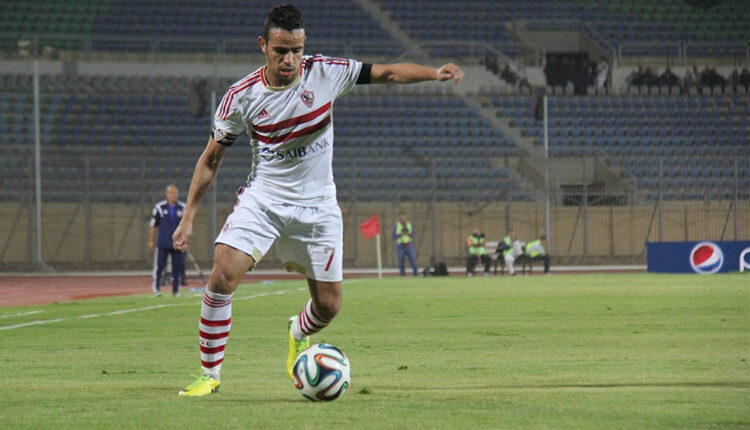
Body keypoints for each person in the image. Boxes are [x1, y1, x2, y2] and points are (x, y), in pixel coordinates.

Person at [172, 4, 463, 396]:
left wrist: (434, 72)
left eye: (296, 50)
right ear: (263, 45)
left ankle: (298, 331)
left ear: (304, 44)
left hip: (319, 206)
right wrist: (188, 216)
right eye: (280, 50)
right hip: (265, 200)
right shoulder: (241, 96)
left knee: (328, 306)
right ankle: (210, 375)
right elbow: (211, 160)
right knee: (222, 273)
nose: (290, 59)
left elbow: (388, 72)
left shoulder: (326, 72)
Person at [148, 184, 186, 297]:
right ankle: (156, 288)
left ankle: (176, 290)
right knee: (159, 265)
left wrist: (185, 240)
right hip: (163, 242)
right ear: (167, 194)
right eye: (171, 193)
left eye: (175, 193)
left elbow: (186, 226)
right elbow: (153, 225)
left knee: (177, 267)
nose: (173, 195)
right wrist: (151, 240)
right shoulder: (159, 207)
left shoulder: (182, 207)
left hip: (177, 243)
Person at [392, 212, 418, 277]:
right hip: (400, 246)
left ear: (406, 218)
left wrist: (409, 233)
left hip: (409, 245)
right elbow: (393, 235)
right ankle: (403, 275)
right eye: (401, 218)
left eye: (404, 218)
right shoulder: (396, 225)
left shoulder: (409, 225)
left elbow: (413, 233)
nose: (403, 219)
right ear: (399, 219)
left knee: (413, 260)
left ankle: (416, 274)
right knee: (401, 261)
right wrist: (401, 234)